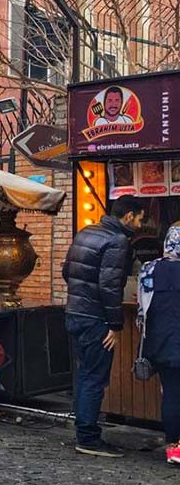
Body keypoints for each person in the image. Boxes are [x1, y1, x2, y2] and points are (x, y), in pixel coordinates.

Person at [62, 195, 145, 458]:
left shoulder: (86, 232)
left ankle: (83, 431)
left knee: (85, 375)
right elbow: (110, 286)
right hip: (95, 319)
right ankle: (87, 438)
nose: (141, 225)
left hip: (75, 313)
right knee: (94, 378)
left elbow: (67, 271)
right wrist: (114, 324)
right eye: (141, 219)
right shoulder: (117, 240)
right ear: (129, 216)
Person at [137, 226, 180, 465]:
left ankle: (173, 449)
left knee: (172, 393)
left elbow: (142, 309)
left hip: (162, 341)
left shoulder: (149, 269)